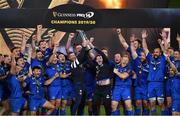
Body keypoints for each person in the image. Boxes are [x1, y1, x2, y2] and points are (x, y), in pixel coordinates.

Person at [142, 30, 167, 115]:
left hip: (159, 83)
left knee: (160, 103)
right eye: (154, 52)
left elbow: (166, 51)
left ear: (160, 53)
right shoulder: (150, 58)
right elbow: (145, 49)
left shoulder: (163, 59)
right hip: (151, 83)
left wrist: (161, 42)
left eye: (157, 52)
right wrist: (144, 38)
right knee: (152, 103)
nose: (155, 53)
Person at [131, 43, 150, 115]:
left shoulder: (149, 65)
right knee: (138, 102)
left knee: (145, 103)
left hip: (146, 86)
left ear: (145, 57)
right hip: (138, 86)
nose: (141, 57)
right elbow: (133, 51)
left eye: (143, 55)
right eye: (140, 55)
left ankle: (146, 114)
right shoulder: (137, 62)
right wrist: (132, 43)